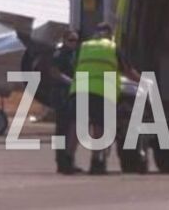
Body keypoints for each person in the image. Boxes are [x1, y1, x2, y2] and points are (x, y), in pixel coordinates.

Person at [70, 24, 124, 175]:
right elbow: (127, 69)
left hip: (79, 88)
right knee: (98, 126)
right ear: (110, 34)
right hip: (101, 90)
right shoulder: (112, 48)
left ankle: (68, 160)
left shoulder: (84, 46)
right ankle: (96, 161)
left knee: (76, 125)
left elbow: (74, 65)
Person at [45, 30, 80, 174]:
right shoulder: (60, 54)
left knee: (71, 128)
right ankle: (61, 162)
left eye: (76, 41)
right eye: (71, 40)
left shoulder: (74, 54)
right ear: (65, 40)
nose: (74, 43)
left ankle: (69, 160)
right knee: (62, 129)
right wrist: (70, 81)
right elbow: (54, 71)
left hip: (70, 93)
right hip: (61, 94)